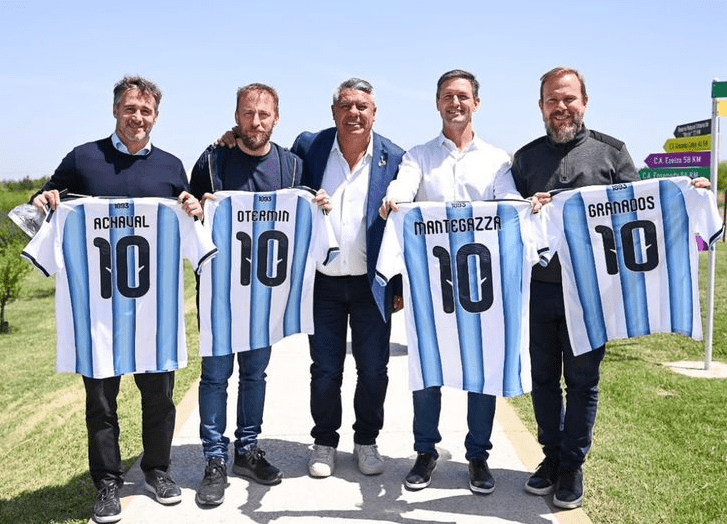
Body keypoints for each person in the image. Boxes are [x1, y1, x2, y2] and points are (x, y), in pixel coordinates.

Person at [31, 76, 203, 523]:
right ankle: (107, 484)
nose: (137, 118)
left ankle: (157, 470)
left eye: (146, 111)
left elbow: (187, 222)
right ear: (115, 111)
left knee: (160, 399)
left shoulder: (171, 166)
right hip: (98, 312)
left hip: (153, 311)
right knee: (102, 404)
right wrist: (44, 199)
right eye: (130, 109)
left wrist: (192, 209)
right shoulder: (83, 158)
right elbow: (42, 202)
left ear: (156, 117)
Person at [380, 69, 526, 494]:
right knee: (428, 369)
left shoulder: (497, 159)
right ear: (437, 103)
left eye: (463, 96)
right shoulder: (419, 156)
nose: (455, 103)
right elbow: (403, 187)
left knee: (482, 370)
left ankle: (478, 456)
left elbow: (510, 204)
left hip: (482, 288)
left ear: (476, 103)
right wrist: (395, 199)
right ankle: (425, 451)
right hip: (432, 288)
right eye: (448, 96)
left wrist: (526, 206)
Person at [189, 83, 303, 506]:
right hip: (219, 292)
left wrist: (319, 204)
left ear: (277, 117)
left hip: (265, 296)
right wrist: (195, 208)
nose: (256, 122)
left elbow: (303, 214)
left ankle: (247, 450)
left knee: (255, 375)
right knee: (215, 376)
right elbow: (188, 212)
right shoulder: (212, 161)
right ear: (236, 116)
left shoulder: (292, 166)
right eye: (248, 113)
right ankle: (214, 458)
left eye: (264, 114)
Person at [290, 78, 404, 478]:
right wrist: (231, 138)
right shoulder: (310, 146)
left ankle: (366, 440)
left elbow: (404, 226)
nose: (353, 113)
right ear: (333, 111)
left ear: (374, 113)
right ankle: (324, 442)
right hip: (323, 283)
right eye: (345, 105)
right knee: (325, 370)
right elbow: (272, 168)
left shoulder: (395, 157)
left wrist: (398, 286)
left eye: (362, 106)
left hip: (370, 285)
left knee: (373, 369)